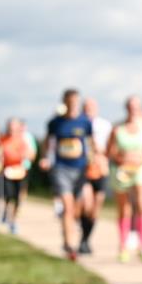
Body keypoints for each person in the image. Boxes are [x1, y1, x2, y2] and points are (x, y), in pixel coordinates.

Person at [40, 89, 95, 261]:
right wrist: (44, 158)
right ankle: (69, 244)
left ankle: (70, 234)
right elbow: (47, 142)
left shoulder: (85, 122)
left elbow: (91, 144)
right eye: (69, 102)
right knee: (68, 206)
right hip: (61, 168)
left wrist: (95, 159)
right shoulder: (55, 123)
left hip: (80, 169)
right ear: (64, 102)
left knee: (79, 209)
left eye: (75, 102)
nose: (72, 106)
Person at [107, 95, 142, 263]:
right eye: (130, 106)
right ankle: (123, 246)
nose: (133, 109)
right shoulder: (117, 129)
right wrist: (121, 157)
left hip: (141, 169)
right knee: (124, 208)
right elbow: (109, 152)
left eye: (136, 106)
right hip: (122, 170)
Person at [80, 97, 111, 254]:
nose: (88, 110)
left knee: (95, 209)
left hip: (101, 169)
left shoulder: (104, 126)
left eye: (91, 107)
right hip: (83, 170)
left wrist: (101, 151)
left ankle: (86, 239)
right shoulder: (78, 125)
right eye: (85, 107)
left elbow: (111, 148)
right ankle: (83, 239)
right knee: (87, 204)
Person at [0, 117, 34, 234]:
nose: (12, 129)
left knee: (17, 198)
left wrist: (26, 156)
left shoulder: (21, 140)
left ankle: (13, 221)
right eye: (10, 127)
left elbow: (30, 154)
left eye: (14, 127)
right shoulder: (3, 139)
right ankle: (7, 213)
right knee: (8, 196)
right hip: (7, 171)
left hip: (19, 172)